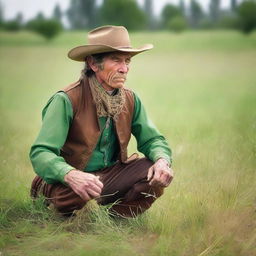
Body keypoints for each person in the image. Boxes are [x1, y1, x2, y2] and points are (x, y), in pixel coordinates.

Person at [30, 25, 174, 218]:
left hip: (109, 175)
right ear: (93, 63)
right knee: (78, 194)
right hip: (67, 179)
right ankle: (58, 205)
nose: (124, 69)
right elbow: (41, 152)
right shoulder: (66, 100)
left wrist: (162, 161)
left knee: (152, 172)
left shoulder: (131, 99)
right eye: (116, 60)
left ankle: (110, 221)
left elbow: (153, 140)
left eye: (127, 61)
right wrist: (70, 175)